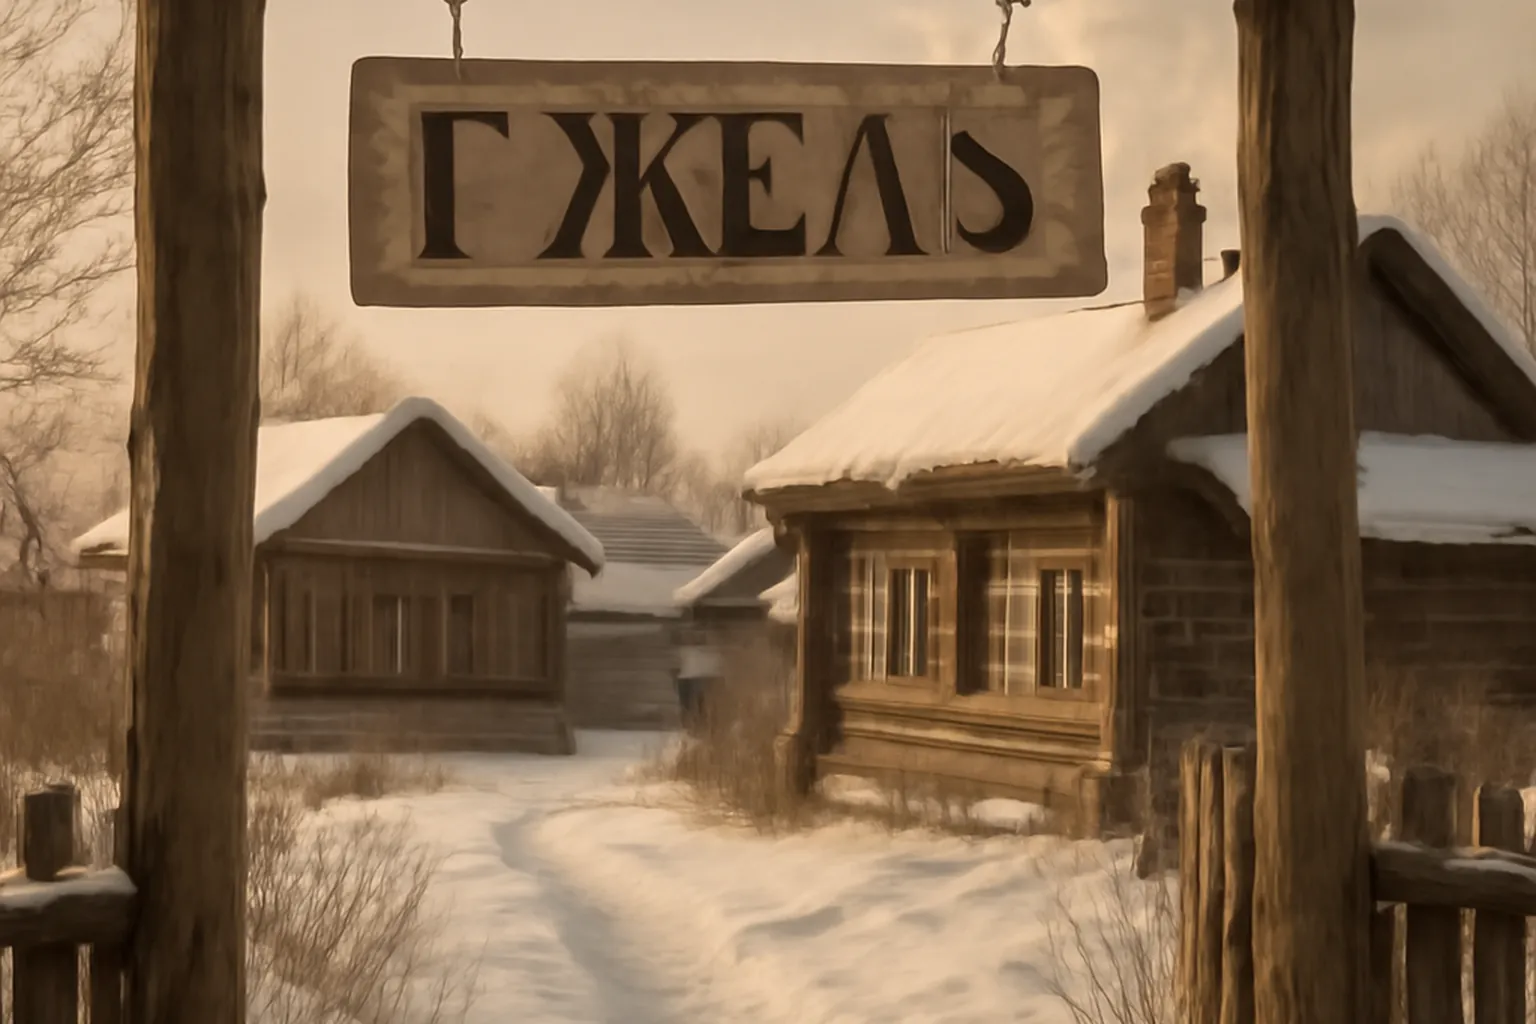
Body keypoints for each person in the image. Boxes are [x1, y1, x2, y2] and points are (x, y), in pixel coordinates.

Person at [674, 625, 723, 730]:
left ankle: (697, 726)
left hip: (695, 675)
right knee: (701, 706)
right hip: (699, 675)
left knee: (696, 706)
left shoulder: (688, 650)